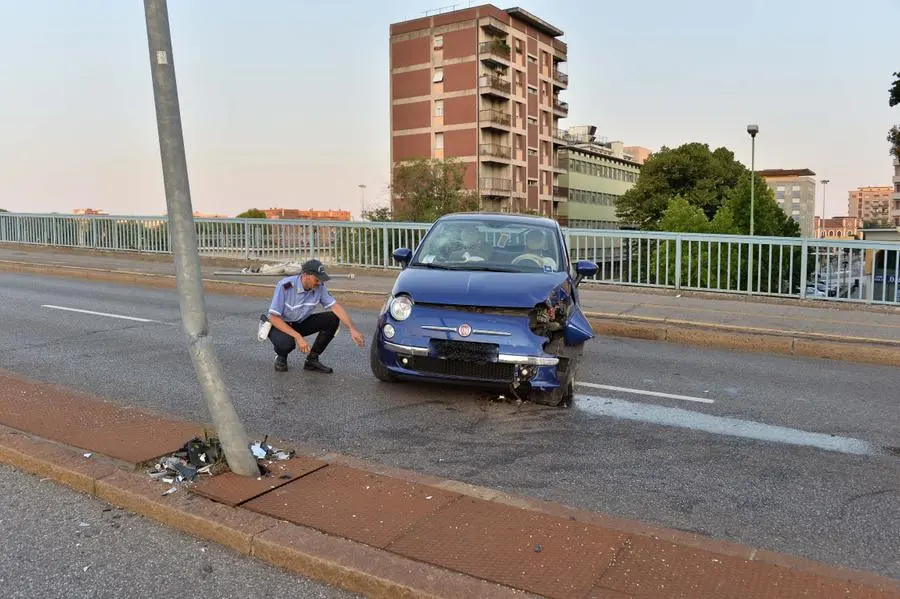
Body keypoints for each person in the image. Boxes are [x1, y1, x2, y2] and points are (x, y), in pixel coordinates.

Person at [266, 259, 364, 373]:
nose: (319, 283)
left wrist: (351, 328)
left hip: (300, 322)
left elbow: (335, 306)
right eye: (316, 279)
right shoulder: (286, 286)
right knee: (287, 344)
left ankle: (312, 360)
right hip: (280, 325)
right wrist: (298, 337)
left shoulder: (319, 286)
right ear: (305, 275)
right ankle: (281, 357)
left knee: (332, 319)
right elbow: (273, 317)